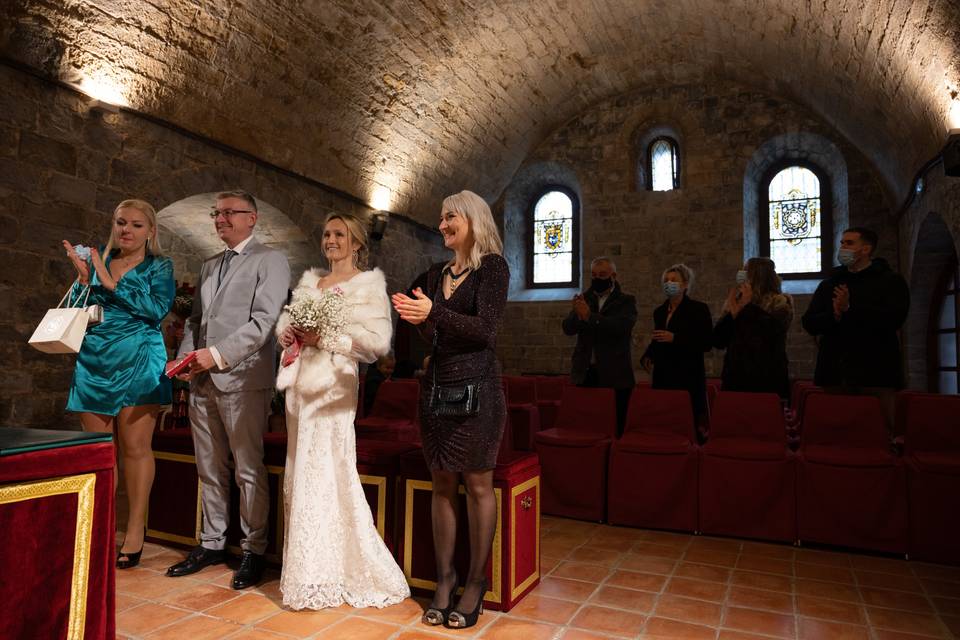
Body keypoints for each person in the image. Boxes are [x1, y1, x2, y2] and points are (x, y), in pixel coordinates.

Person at [275, 213, 409, 609]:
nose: (331, 239)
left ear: (356, 244)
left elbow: (375, 345)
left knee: (327, 468)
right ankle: (305, 567)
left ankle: (326, 571)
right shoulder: (310, 282)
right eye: (327, 233)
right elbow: (292, 328)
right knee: (301, 468)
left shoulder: (368, 287)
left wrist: (326, 336)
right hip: (299, 387)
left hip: (334, 386)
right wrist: (288, 335)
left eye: (339, 234)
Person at [392, 190, 509, 629]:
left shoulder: (492, 267)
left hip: (478, 389)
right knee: (441, 484)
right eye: (440, 218)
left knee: (478, 486)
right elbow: (437, 339)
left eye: (450, 217)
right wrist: (419, 319)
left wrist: (433, 313)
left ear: (473, 219)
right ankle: (445, 582)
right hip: (438, 389)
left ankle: (474, 584)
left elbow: (485, 331)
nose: (442, 225)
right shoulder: (436, 272)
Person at [166, 190, 290, 590]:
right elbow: (196, 322)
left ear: (251, 218)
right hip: (201, 381)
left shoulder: (269, 260)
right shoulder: (209, 264)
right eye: (215, 213)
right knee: (210, 467)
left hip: (242, 378)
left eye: (228, 213)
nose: (219, 219)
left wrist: (216, 355)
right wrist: (186, 361)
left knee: (248, 469)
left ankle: (254, 549)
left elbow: (264, 321)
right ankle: (213, 542)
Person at [62, 199, 175, 570]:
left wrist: (111, 283)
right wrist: (84, 281)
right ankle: (97, 531)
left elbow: (157, 309)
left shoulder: (160, 266)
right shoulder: (98, 261)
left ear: (150, 231)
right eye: (121, 223)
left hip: (140, 359)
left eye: (136, 225)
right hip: (95, 358)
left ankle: (134, 529)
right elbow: (79, 310)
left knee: (136, 448)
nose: (126, 230)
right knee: (98, 452)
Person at [801, 227, 910, 425]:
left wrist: (850, 308)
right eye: (842, 242)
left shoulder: (890, 281)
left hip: (876, 370)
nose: (842, 247)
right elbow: (809, 322)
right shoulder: (829, 284)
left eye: (849, 243)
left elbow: (894, 319)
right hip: (835, 370)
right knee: (837, 431)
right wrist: (834, 314)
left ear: (866, 249)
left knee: (878, 430)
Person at [562, 257, 638, 437]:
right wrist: (577, 314)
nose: (597, 279)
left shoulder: (626, 301)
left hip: (615, 374)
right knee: (586, 426)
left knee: (615, 426)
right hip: (586, 372)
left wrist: (589, 316)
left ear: (614, 276)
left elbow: (620, 327)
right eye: (594, 275)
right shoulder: (585, 298)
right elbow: (568, 328)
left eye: (602, 275)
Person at [641, 264, 713, 426]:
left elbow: (706, 342)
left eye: (674, 280)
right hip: (663, 374)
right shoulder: (659, 311)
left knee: (687, 421)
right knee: (664, 420)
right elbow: (659, 337)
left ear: (685, 284)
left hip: (687, 375)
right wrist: (649, 354)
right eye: (666, 280)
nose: (669, 283)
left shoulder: (698, 309)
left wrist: (675, 338)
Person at [713, 257, 793, 398]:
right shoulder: (736, 302)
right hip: (736, 377)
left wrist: (748, 307)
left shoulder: (780, 303)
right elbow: (718, 340)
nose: (741, 273)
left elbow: (769, 336)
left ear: (757, 276)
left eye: (745, 270)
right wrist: (731, 315)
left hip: (766, 378)